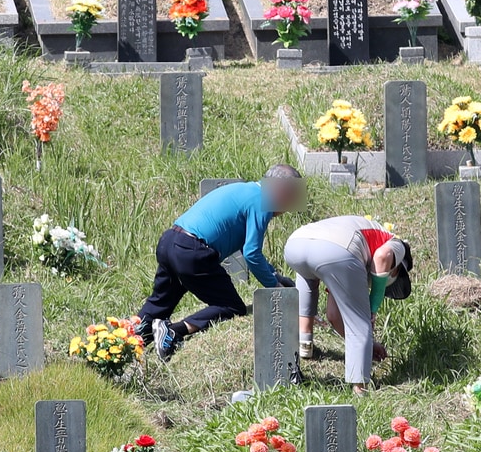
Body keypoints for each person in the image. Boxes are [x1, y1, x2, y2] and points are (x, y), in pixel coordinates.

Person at [137, 165, 306, 362]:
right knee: (231, 306)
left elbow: (245, 245)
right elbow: (252, 253)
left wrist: (275, 275)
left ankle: (125, 346)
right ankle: (174, 331)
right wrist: (275, 287)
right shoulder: (262, 201)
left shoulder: (246, 190)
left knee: (159, 303)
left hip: (170, 241)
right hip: (193, 250)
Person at [282, 215, 414, 394]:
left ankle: (305, 346)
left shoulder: (352, 259)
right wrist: (373, 307)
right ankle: (360, 389)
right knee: (360, 321)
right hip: (336, 251)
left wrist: (369, 345)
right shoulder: (397, 245)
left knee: (308, 280)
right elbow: (383, 256)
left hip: (295, 245)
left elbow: (334, 315)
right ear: (398, 267)